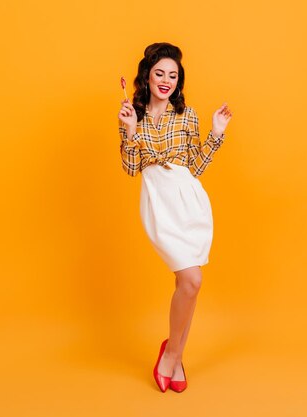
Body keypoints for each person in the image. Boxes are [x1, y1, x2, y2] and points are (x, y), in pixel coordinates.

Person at [117, 42, 232, 393]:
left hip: (188, 198)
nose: (166, 80)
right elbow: (131, 168)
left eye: (173, 75)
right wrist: (130, 131)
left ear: (178, 81)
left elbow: (195, 166)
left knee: (189, 284)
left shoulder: (187, 115)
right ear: (146, 77)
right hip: (158, 201)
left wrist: (216, 134)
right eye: (159, 73)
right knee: (191, 280)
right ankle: (171, 353)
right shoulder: (131, 113)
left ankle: (174, 354)